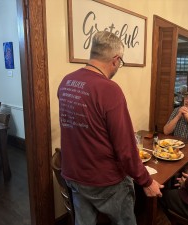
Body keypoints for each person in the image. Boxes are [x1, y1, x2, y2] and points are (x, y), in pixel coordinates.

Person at [57, 31, 163, 225]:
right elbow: (125, 148)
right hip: (103, 180)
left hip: (73, 174)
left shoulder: (66, 82)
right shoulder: (109, 89)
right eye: (120, 63)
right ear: (115, 60)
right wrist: (146, 181)